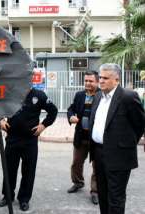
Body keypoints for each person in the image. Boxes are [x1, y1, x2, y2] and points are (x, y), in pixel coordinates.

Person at [90, 63, 145, 214]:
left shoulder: (128, 97)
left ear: (116, 79)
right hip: (99, 153)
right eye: (100, 77)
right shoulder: (98, 96)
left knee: (116, 198)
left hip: (119, 156)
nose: (101, 81)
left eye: (106, 78)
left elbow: (140, 125)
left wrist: (124, 143)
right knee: (102, 194)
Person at [0, 87, 58, 211]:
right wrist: (0, 120)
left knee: (28, 171)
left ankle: (24, 199)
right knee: (9, 170)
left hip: (30, 140)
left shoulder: (39, 95)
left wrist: (43, 125)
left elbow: (53, 111)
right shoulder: (10, 92)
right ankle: (7, 196)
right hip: (12, 139)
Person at [67, 70, 99, 204]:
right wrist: (71, 116)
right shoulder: (79, 95)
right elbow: (71, 108)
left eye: (91, 81)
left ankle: (95, 191)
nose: (87, 83)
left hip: (96, 138)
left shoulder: (102, 96)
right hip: (80, 136)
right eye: (86, 81)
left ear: (97, 81)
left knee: (97, 167)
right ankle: (78, 182)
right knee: (76, 163)